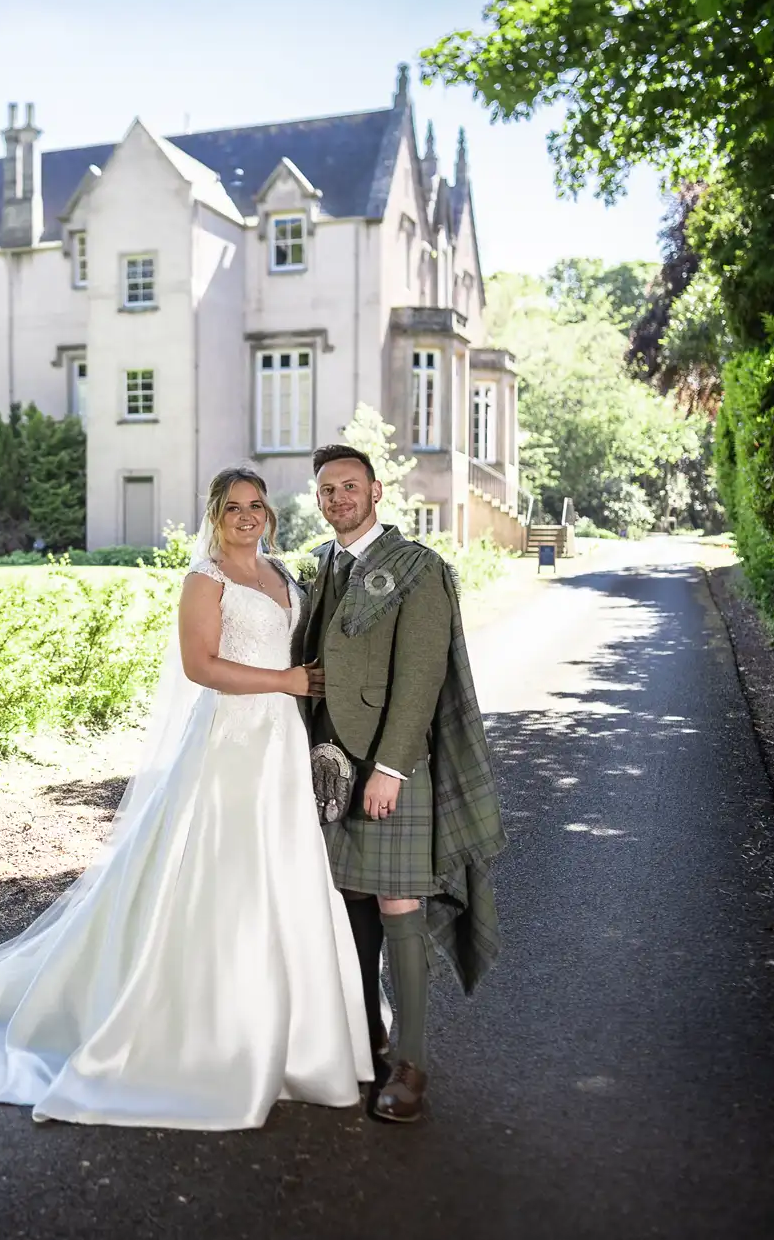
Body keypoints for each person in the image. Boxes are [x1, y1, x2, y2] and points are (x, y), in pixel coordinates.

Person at [0, 467, 371, 1128]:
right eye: (234, 506)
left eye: (257, 505)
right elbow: (201, 667)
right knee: (226, 875)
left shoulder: (281, 574)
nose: (247, 515)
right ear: (215, 516)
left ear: (269, 514)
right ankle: (211, 1034)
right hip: (229, 746)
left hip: (279, 743)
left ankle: (302, 1033)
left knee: (284, 876)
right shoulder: (205, 579)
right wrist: (287, 678)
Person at [294, 444, 506, 1124]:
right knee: (349, 898)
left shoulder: (418, 569)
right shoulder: (324, 564)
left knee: (398, 901)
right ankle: (368, 1038)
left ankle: (410, 1064)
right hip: (327, 764)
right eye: (327, 490)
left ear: (377, 491)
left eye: (350, 486)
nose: (338, 499)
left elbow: (421, 678)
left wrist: (389, 768)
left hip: (391, 766)